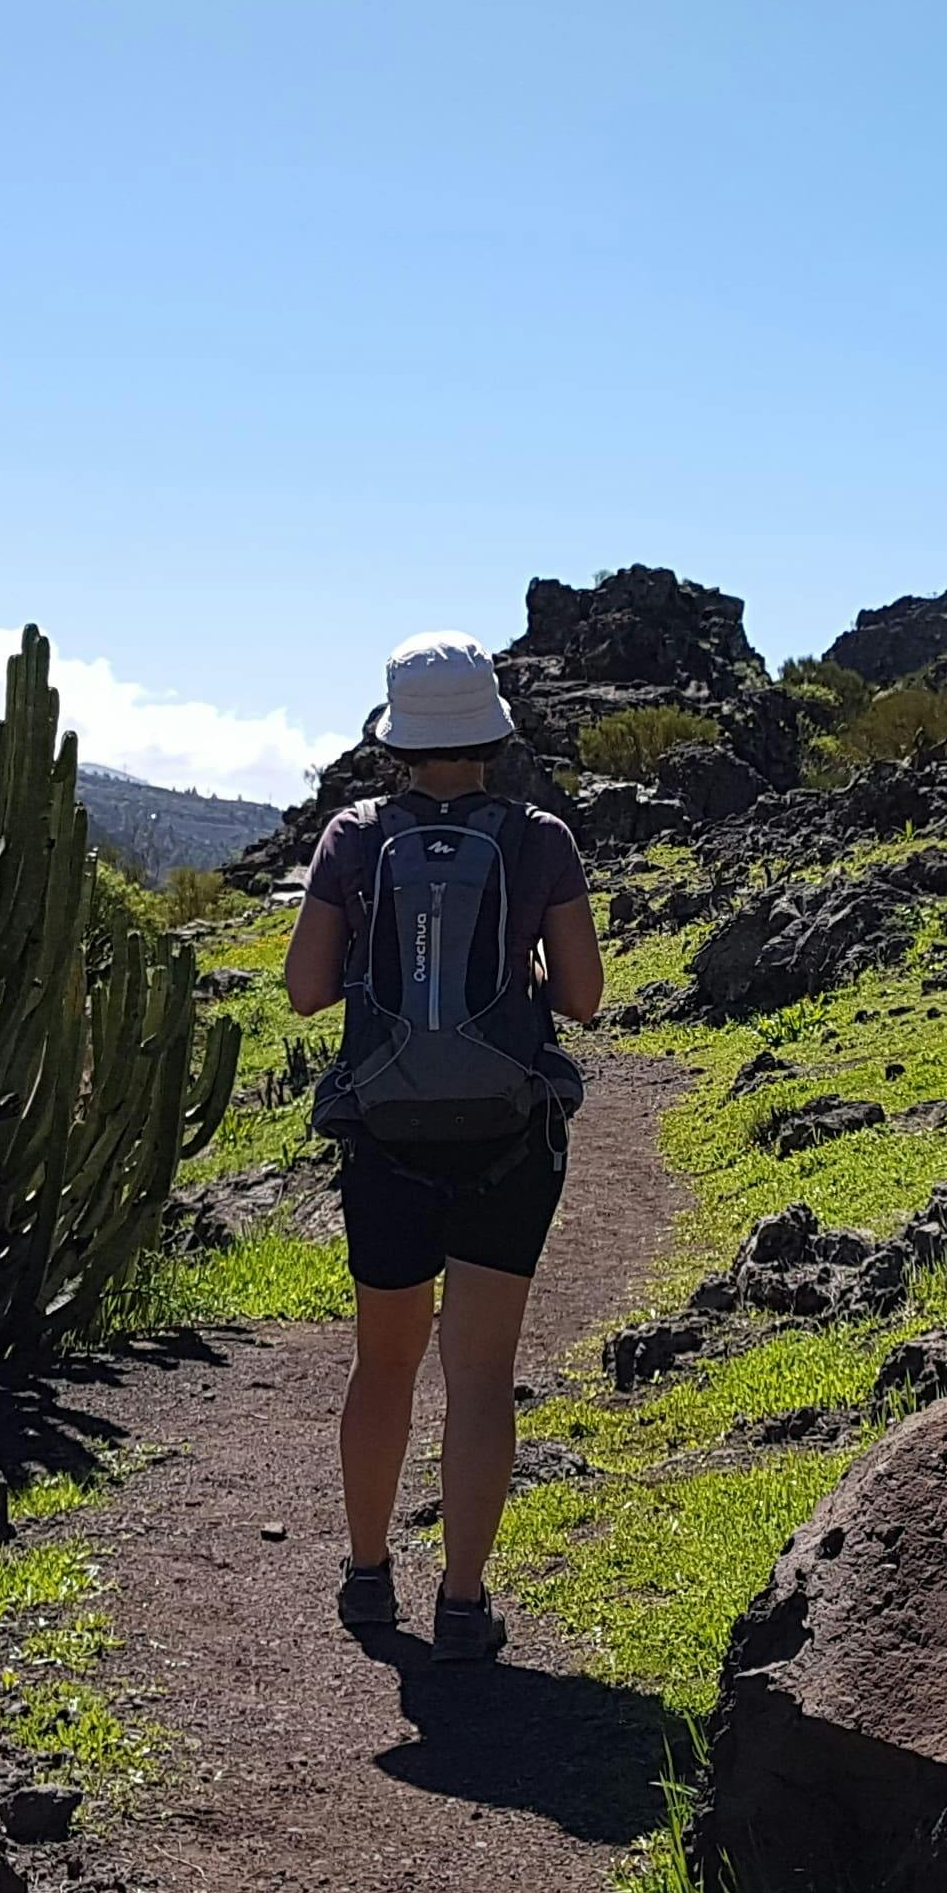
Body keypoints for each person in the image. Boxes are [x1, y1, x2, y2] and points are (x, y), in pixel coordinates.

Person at [284, 632, 601, 1662]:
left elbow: (305, 990)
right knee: (481, 1371)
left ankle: (369, 1577)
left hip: (385, 1132)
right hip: (510, 1132)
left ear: (398, 738)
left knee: (384, 1365)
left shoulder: (353, 836)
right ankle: (464, 1601)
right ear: (492, 732)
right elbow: (587, 998)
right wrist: (515, 999)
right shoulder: (540, 836)